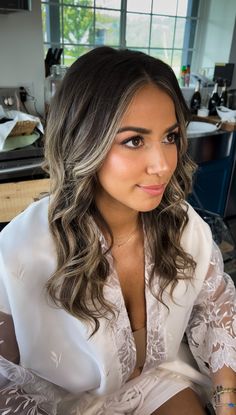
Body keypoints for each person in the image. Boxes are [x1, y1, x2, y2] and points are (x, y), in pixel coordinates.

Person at [0, 46, 235, 415]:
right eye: (134, 140)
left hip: (157, 380)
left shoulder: (183, 226)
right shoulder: (18, 253)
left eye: (170, 136)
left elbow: (218, 311)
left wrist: (227, 404)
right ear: (83, 141)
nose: (162, 165)